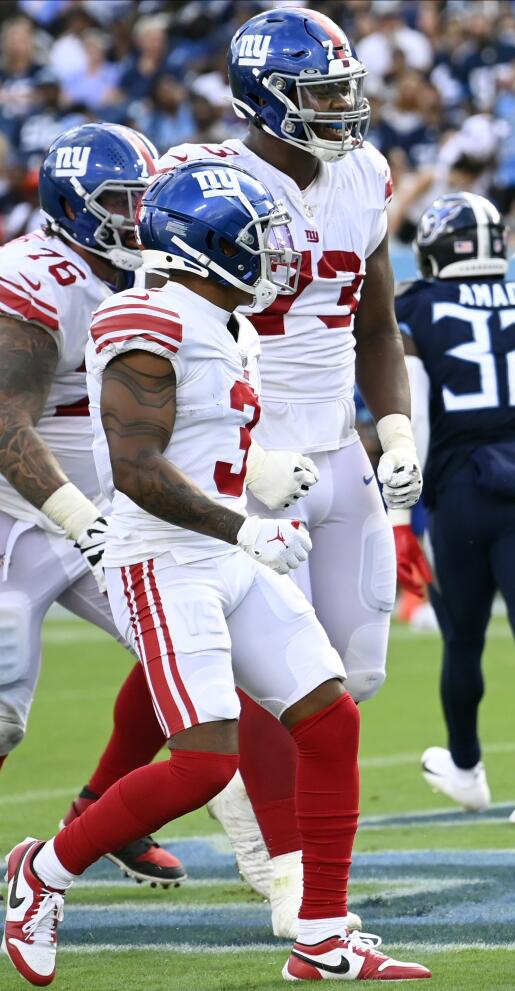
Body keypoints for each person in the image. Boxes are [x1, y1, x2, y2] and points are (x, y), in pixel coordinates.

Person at [2, 160, 428, 988]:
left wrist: (261, 469)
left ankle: (322, 935)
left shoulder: (227, 320)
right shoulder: (146, 321)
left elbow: (209, 435)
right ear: (206, 244)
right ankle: (42, 875)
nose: (279, 255)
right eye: (260, 239)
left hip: (226, 553)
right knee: (205, 763)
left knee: (331, 719)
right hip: (161, 562)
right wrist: (248, 524)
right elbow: (135, 469)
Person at [160, 7, 423, 937]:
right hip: (248, 453)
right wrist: (237, 445)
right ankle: (283, 862)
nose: (342, 107)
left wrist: (393, 428)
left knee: (355, 674)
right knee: (287, 677)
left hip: (337, 448)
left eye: (344, 88)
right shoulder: (205, 183)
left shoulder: (365, 174)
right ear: (267, 100)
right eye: (320, 92)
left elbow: (376, 322)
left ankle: (181, 767)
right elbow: (168, 330)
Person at [0, 124, 189, 888]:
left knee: (188, 640)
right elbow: (6, 422)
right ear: (75, 204)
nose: (138, 216)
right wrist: (83, 518)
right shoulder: (36, 274)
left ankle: (105, 812)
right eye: (120, 201)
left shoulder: (150, 280)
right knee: (2, 696)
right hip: (18, 514)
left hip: (101, 514)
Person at [399, 193, 515, 823]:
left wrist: (410, 497)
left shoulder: (419, 306)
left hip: (458, 490)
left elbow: (412, 409)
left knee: (463, 640)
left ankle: (467, 766)